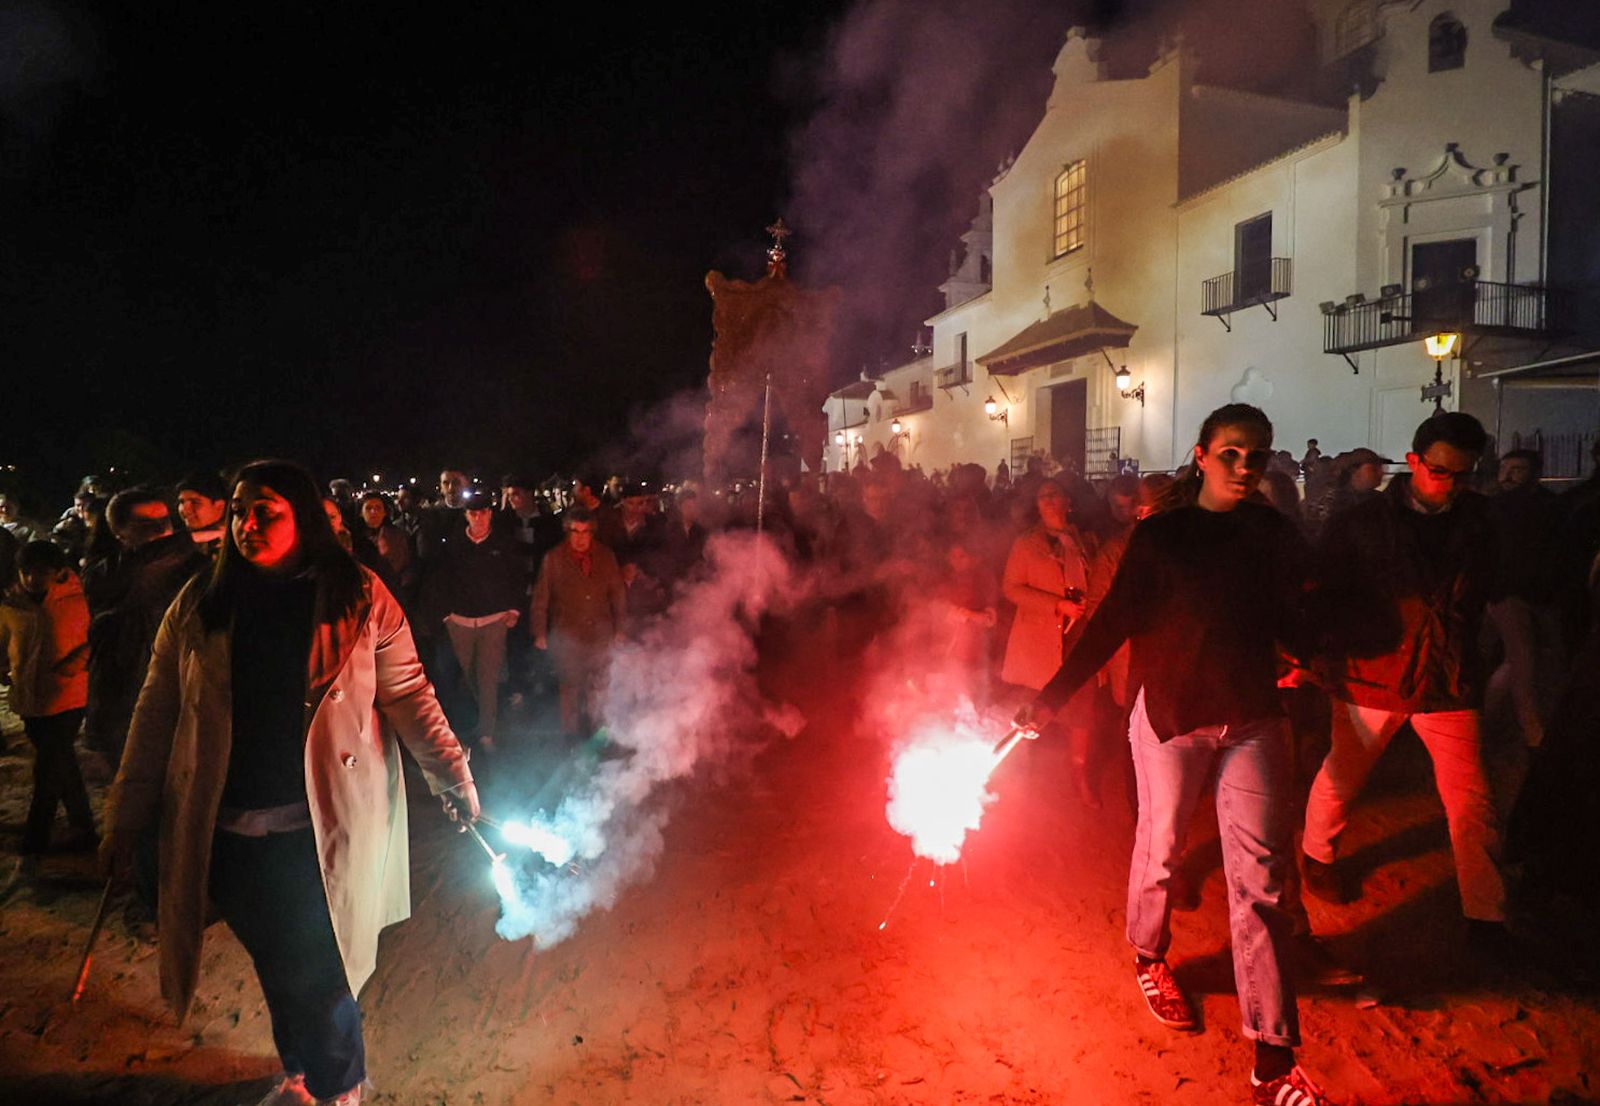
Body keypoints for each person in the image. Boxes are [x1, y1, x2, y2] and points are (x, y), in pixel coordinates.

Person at [100, 459, 477, 1106]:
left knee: (323, 975)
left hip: (324, 830)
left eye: (265, 510)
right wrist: (125, 817)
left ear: (301, 515)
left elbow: (409, 692)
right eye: (241, 509)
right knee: (279, 966)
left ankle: (341, 1088)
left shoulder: (356, 594)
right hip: (233, 834)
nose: (247, 522)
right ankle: (301, 1072)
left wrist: (452, 776)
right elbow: (157, 711)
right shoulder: (201, 602)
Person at [1019, 404, 1329, 1106]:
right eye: (1232, 454)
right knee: (1159, 849)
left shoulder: (1271, 533)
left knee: (1265, 884)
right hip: (1171, 721)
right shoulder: (1163, 538)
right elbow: (1113, 624)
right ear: (1201, 456)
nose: (1246, 467)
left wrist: (1309, 650)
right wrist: (1053, 695)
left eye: (1258, 455)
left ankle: (1273, 1061)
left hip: (1251, 719)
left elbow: (1288, 613)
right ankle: (1150, 955)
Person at [1300, 413, 1513, 958]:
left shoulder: (1484, 520)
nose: (1452, 484)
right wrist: (1322, 654)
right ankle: (1317, 857)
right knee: (1344, 773)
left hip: (1447, 676)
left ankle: (1486, 915)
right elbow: (1325, 591)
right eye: (1442, 471)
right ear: (1414, 460)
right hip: (1373, 673)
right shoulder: (1362, 522)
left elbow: (1491, 585)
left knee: (1471, 798)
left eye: (1464, 475)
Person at [1000, 479, 1098, 807]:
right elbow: (1012, 588)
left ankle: (1080, 777)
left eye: (1056, 494)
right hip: (1040, 638)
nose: (1050, 501)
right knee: (1032, 705)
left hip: (1078, 637)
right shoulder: (1026, 544)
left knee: (1082, 710)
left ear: (1068, 501)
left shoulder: (1084, 540)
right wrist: (1056, 605)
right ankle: (1017, 780)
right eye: (1043, 496)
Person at [1, 541, 95, 869]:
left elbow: (99, 636)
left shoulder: (79, 599)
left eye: (40, 572)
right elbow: (4, 640)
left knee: (48, 768)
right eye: (26, 572)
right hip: (30, 697)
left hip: (68, 695)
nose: (32, 579)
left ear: (57, 572)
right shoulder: (13, 604)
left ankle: (35, 840)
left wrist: (78, 660)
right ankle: (84, 827)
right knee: (62, 763)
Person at [418, 490, 524, 752]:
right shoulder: (453, 546)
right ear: (466, 515)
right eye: (473, 513)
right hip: (461, 622)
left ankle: (487, 731)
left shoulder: (504, 543)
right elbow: (439, 581)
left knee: (488, 676)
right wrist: (446, 615)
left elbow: (517, 577)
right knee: (471, 674)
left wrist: (513, 609)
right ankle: (483, 720)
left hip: (493, 621)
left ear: (490, 513)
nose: (478, 518)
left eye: (483, 512)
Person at [530, 507, 625, 736]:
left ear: (592, 532)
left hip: (600, 633)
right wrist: (540, 632)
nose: (581, 538)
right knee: (570, 686)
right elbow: (541, 596)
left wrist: (620, 629)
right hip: (567, 633)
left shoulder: (605, 555)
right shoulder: (554, 558)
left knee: (599, 685)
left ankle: (597, 731)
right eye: (576, 532)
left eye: (585, 532)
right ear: (568, 531)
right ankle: (570, 734)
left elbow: (617, 594)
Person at [176, 471, 230, 558]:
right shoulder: (186, 543)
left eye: (195, 502)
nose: (184, 510)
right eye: (181, 502)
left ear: (219, 506)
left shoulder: (235, 545)